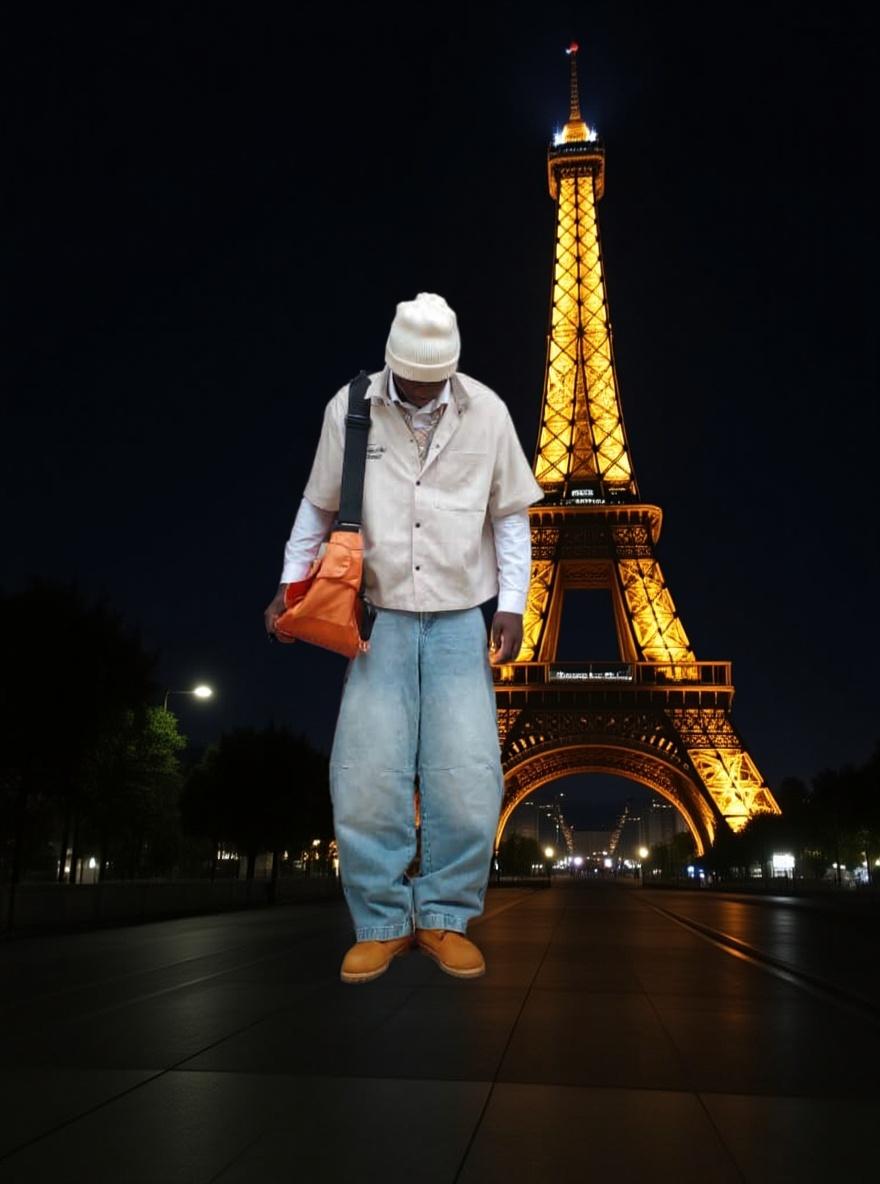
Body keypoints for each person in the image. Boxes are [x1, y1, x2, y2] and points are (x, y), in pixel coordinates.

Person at [264, 292, 542, 983]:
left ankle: (444, 918)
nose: (423, 389)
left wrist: (513, 604)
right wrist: (290, 585)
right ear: (392, 361)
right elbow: (318, 504)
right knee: (365, 775)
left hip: (459, 618)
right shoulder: (351, 406)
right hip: (381, 616)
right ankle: (383, 924)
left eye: (435, 379)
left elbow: (510, 516)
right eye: (413, 379)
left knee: (470, 777)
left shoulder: (489, 411)